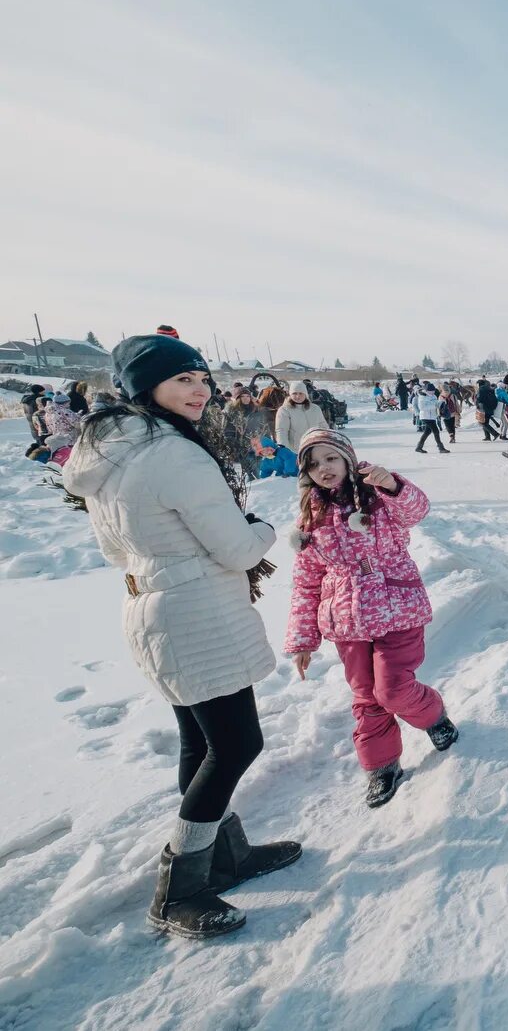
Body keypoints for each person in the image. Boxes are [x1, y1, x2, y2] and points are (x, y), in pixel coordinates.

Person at [63, 335, 297, 940]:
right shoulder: (174, 455)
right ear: (147, 388)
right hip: (196, 612)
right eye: (184, 380)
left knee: (201, 739)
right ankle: (181, 886)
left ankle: (226, 854)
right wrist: (264, 525)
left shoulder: (110, 450)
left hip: (150, 606)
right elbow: (240, 548)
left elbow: (115, 546)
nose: (201, 390)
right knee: (238, 743)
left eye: (203, 379)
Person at [285, 429, 457, 809]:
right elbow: (306, 581)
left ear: (347, 458)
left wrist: (392, 483)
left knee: (392, 689)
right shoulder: (311, 518)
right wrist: (302, 639)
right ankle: (381, 765)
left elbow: (416, 510)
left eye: (330, 458)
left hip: (398, 608)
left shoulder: (378, 498)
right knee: (366, 695)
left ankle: (434, 716)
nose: (323, 469)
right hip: (346, 620)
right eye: (313, 464)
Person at [274, 381, 328, 454]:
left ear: (305, 394)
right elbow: (281, 431)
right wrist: (284, 450)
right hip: (295, 451)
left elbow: (323, 427)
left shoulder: (315, 408)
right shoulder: (284, 410)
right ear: (290, 394)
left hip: (315, 448)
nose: (297, 396)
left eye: (300, 393)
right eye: (294, 393)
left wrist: (327, 442)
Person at [224, 388, 267, 478]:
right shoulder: (232, 412)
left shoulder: (256, 410)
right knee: (249, 470)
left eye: (248, 396)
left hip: (257, 444)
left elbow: (263, 426)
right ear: (237, 398)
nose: (246, 398)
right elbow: (228, 429)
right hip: (241, 445)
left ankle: (257, 485)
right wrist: (232, 442)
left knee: (257, 470)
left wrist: (266, 439)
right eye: (242, 396)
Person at [412, 383, 449, 454]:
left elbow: (436, 403)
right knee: (436, 431)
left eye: (433, 391)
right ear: (426, 390)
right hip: (425, 417)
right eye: (430, 391)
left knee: (427, 432)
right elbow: (422, 408)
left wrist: (441, 403)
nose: (432, 392)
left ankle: (419, 447)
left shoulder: (434, 396)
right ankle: (441, 448)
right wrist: (434, 405)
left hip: (432, 417)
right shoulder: (422, 397)